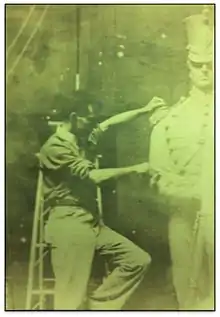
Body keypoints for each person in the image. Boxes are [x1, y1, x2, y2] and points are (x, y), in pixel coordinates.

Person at [39, 92, 165, 310]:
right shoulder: (55, 147)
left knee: (136, 261)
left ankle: (96, 308)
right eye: (90, 119)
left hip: (91, 222)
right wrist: (136, 168)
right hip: (68, 224)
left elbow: (109, 123)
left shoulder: (81, 137)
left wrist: (143, 110)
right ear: (74, 117)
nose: (94, 124)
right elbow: (93, 176)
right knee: (69, 299)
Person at [147, 6, 214, 310]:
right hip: (187, 224)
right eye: (198, 64)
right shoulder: (168, 122)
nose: (205, 71)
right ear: (187, 65)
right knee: (192, 302)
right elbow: (157, 179)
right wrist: (197, 193)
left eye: (212, 64)